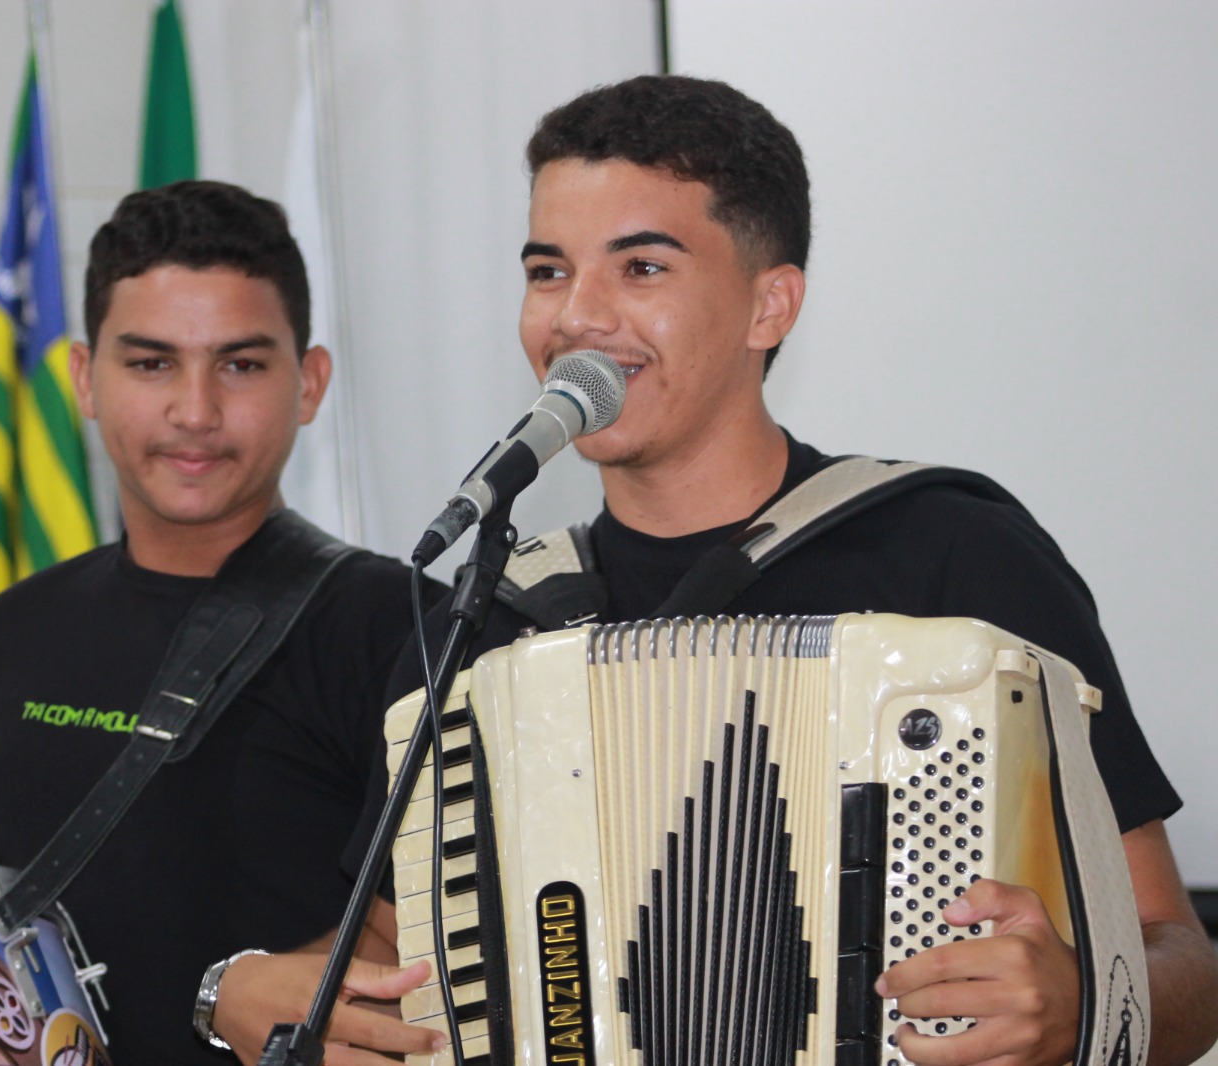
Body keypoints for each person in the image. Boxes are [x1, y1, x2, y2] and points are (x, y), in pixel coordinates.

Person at [212, 76, 1218, 1066]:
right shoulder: (492, 617)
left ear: (768, 306)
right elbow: (386, 960)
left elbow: (1177, 954)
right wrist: (247, 988)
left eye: (640, 268)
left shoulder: (953, 556)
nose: (576, 317)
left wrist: (1082, 1007)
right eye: (547, 270)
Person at [0, 180, 440, 1065]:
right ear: (84, 379)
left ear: (309, 383)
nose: (195, 411)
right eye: (151, 364)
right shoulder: (18, 626)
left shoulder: (400, 624)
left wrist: (225, 996)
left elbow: (426, 950)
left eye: (242, 364)